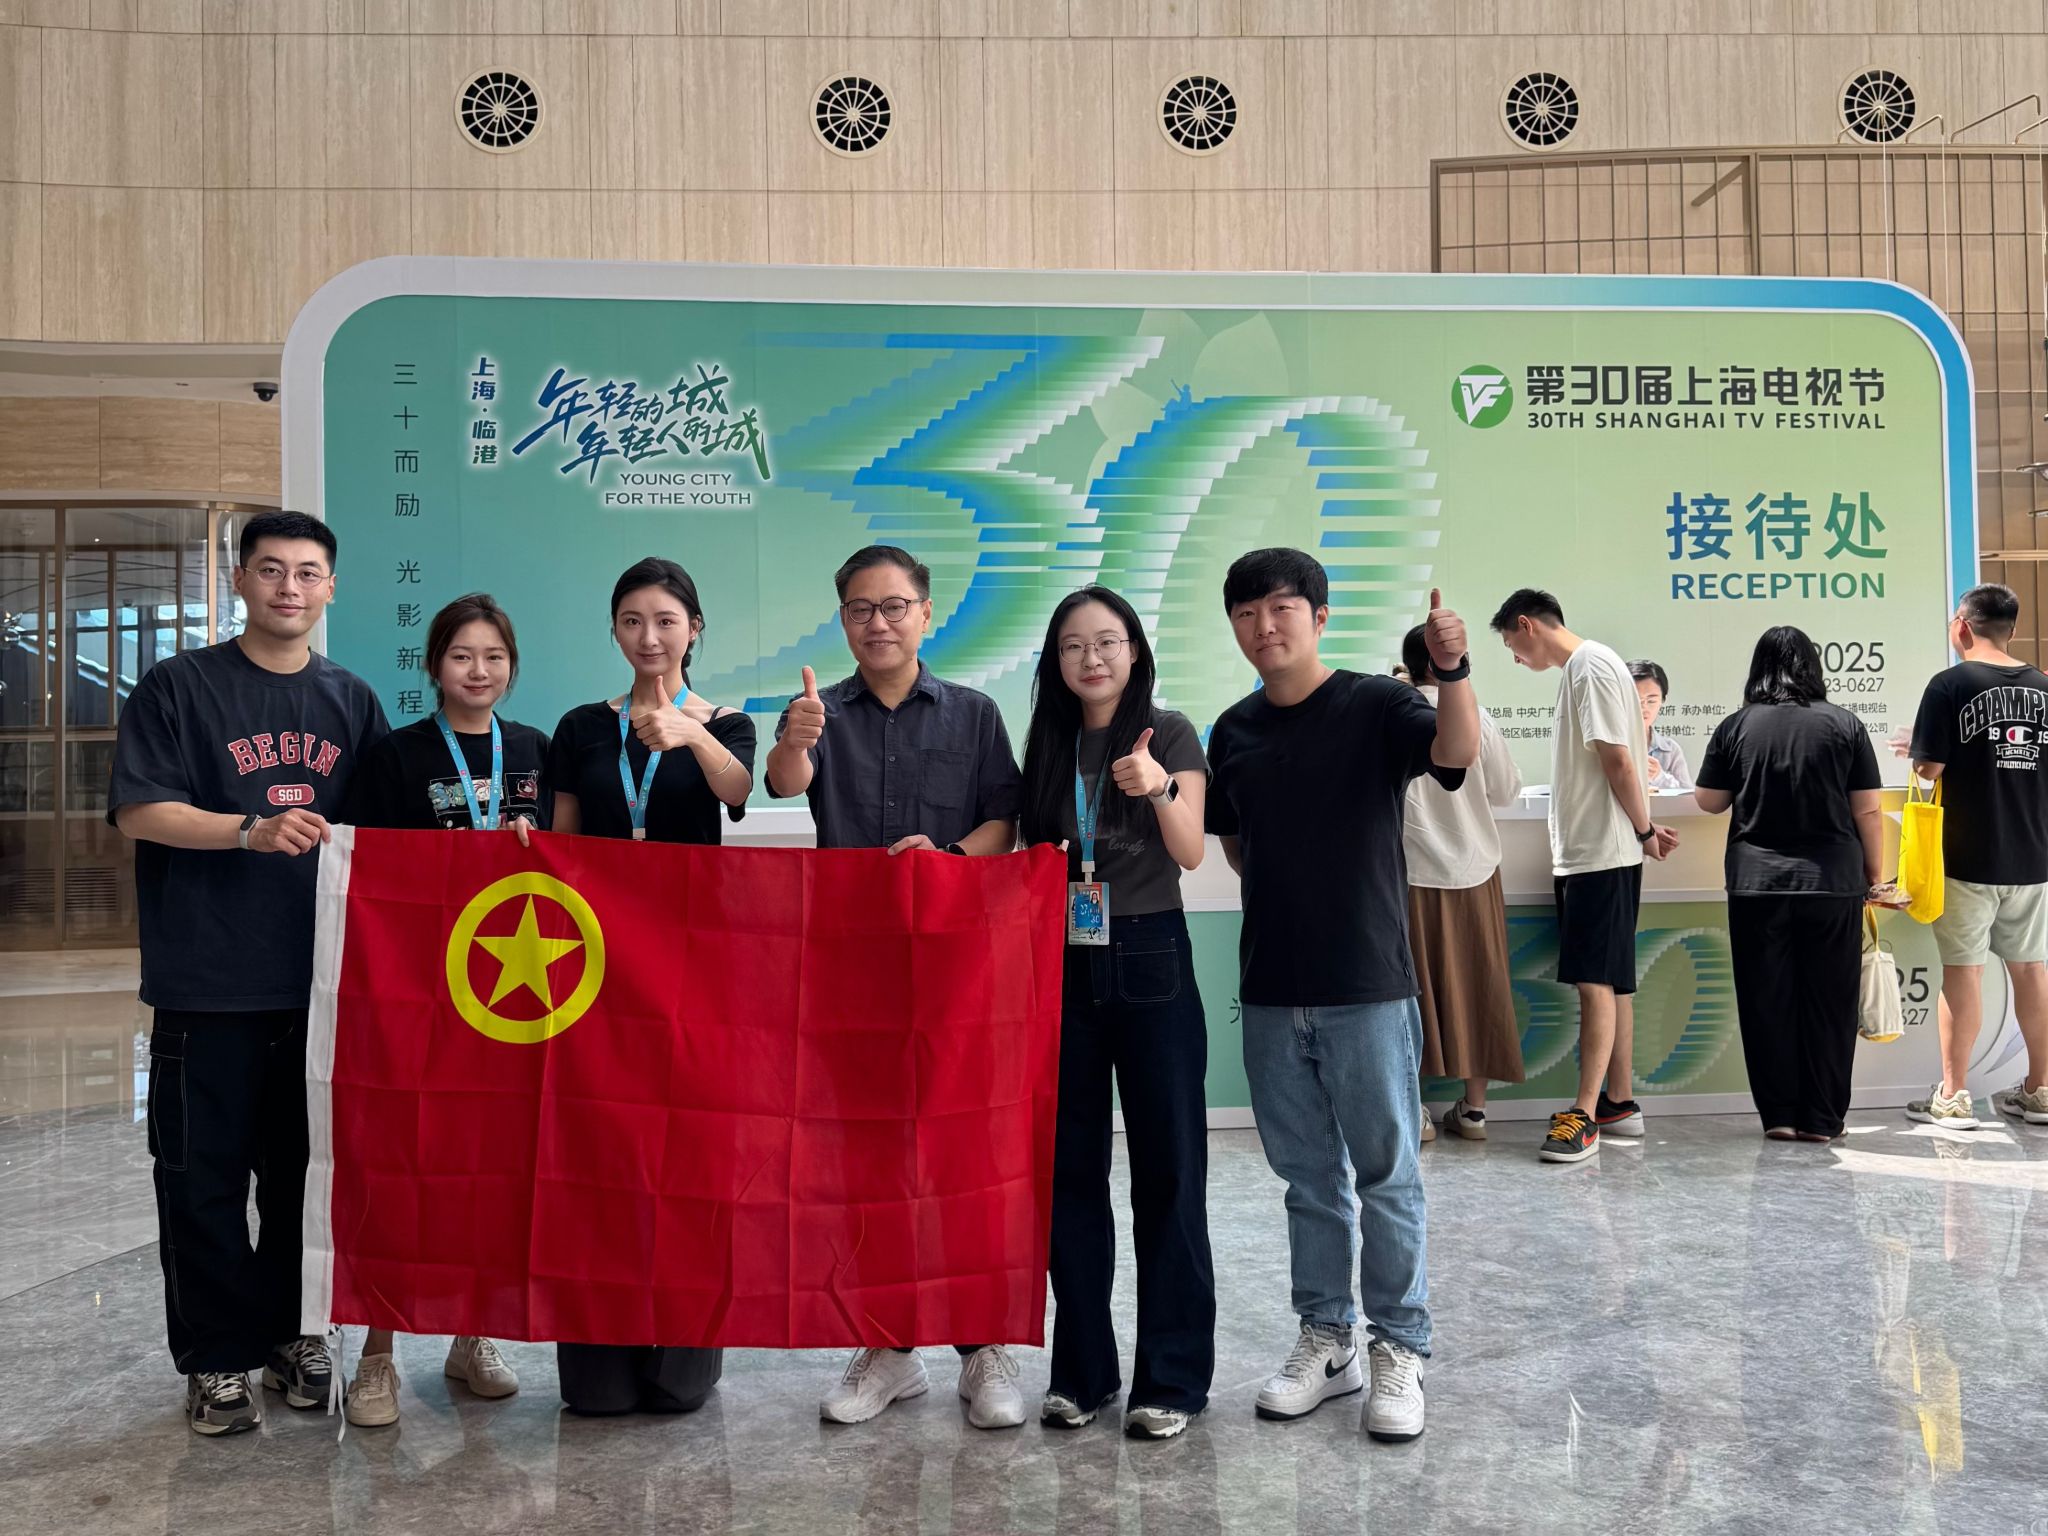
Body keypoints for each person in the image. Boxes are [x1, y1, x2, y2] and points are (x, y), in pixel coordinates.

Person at [109, 509, 390, 1436]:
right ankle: (215, 1360)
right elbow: (141, 810)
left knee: (305, 1182)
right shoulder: (178, 687)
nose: (288, 588)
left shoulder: (351, 701)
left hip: (319, 989)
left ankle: (292, 1338)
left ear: (331, 588)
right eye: (270, 570)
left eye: (308, 572)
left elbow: (389, 836)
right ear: (239, 581)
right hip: (208, 984)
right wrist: (246, 830)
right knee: (203, 1180)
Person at [1205, 549, 1479, 1443]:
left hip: (1366, 984)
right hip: (1272, 988)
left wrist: (1453, 670)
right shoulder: (1233, 730)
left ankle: (1401, 1346)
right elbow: (1237, 843)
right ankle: (1329, 1339)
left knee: (1387, 1176)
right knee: (1306, 1181)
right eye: (1247, 613)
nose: (1264, 626)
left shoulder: (1375, 705)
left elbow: (1454, 753)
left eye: (1282, 608)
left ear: (1319, 617)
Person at [764, 544, 1026, 1431]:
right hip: (852, 968)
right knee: (869, 1160)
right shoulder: (817, 712)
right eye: (860, 609)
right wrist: (794, 742)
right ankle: (887, 1346)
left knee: (963, 1155)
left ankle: (982, 1345)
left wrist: (946, 860)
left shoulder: (974, 713)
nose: (877, 623)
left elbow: (1003, 821)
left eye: (894, 606)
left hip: (955, 968)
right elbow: (786, 783)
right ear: (842, 619)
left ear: (926, 613)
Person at [544, 556, 755, 1414]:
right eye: (632, 620)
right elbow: (561, 843)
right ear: (614, 630)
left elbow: (740, 792)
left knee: (686, 1152)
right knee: (598, 1152)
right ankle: (599, 1356)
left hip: (691, 966)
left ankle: (683, 1358)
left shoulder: (728, 722)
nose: (649, 636)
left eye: (666, 620)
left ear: (694, 629)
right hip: (592, 971)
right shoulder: (579, 727)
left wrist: (690, 734)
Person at [339, 593, 548, 1426]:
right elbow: (369, 873)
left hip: (508, 1002)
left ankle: (473, 1333)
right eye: (462, 655)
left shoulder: (532, 749)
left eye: (494, 656)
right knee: (404, 1166)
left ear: (512, 667)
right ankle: (377, 1354)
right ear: (433, 667)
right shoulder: (395, 756)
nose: (478, 671)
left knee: (492, 1171)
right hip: (418, 996)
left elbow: (568, 863)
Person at [1019, 585, 1214, 1442]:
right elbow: (1027, 856)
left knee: (1169, 1172)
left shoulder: (1167, 733)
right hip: (1061, 960)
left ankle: (1171, 1380)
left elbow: (1191, 850)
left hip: (1150, 956)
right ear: (1055, 662)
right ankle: (1082, 1374)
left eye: (1107, 641)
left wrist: (1160, 788)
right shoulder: (1047, 744)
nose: (1091, 658)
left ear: (1134, 650)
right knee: (1069, 1176)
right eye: (1073, 645)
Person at [1490, 589, 1678, 1165]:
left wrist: (1643, 831)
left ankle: (1585, 1114)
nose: (1515, 657)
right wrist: (1640, 830)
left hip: (1600, 851)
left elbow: (1617, 758)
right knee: (1613, 982)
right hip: (1598, 849)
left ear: (1527, 625)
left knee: (1596, 982)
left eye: (1511, 644)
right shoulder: (1590, 665)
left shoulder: (1590, 665)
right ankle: (1618, 1102)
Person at [1693, 627, 1885, 1141]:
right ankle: (1822, 1120)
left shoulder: (1737, 726)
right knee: (1830, 1003)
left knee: (1766, 1000)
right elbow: (1868, 808)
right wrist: (1874, 875)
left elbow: (1709, 801)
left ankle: (1778, 1116)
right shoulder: (1845, 724)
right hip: (1833, 882)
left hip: (1757, 885)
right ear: (1813, 667)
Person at [1901, 583, 2048, 1131]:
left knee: (1964, 972)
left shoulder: (1949, 685)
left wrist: (1917, 749)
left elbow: (1928, 770)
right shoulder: (2044, 689)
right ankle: (2040, 1089)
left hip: (1965, 857)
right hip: (2033, 855)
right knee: (2031, 971)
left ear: (1961, 626)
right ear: (2012, 629)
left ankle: (1954, 1094)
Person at [1398, 625, 1526, 1141]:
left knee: (1406, 995)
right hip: (1475, 873)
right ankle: (1474, 1110)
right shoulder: (1478, 716)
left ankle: (1414, 1112)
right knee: (1480, 988)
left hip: (1408, 876)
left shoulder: (1393, 715)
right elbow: (1507, 791)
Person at [1630, 659, 1694, 792]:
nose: (1643, 707)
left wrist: (1660, 777)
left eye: (1651, 701)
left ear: (1662, 700)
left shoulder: (1671, 750)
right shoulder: (1606, 746)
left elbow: (1687, 797)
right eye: (1635, 700)